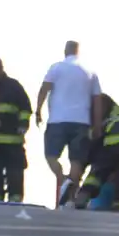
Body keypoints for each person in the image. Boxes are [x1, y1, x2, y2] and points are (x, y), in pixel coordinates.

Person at [34, 41, 104, 207]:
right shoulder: (90, 72)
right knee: (76, 160)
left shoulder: (56, 68)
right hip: (81, 121)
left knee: (51, 156)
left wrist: (38, 110)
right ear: (78, 52)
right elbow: (98, 100)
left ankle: (63, 179)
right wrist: (97, 124)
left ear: (65, 51)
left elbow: (44, 88)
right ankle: (70, 196)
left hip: (58, 120)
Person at [71, 97, 119, 212]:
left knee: (101, 169)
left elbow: (93, 151)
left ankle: (83, 196)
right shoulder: (115, 112)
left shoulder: (95, 123)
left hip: (117, 137)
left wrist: (83, 165)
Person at [0, 57, 32, 204]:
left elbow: (25, 108)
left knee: (15, 169)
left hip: (12, 138)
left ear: (2, 67)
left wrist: (23, 124)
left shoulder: (14, 86)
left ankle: (15, 197)